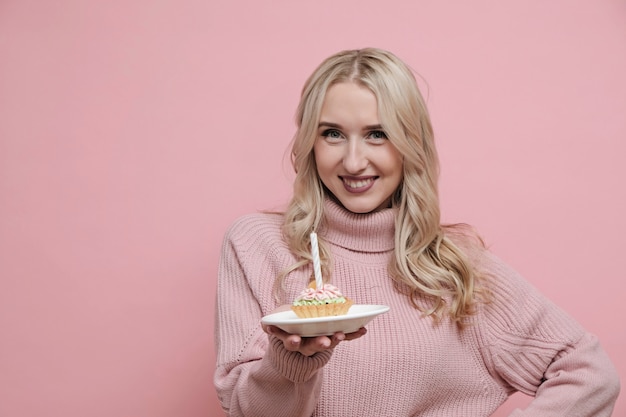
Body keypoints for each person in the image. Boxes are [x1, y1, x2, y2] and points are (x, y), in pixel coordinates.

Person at [213, 48, 620, 416]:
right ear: (309, 144)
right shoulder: (257, 245)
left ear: (410, 144)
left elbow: (588, 372)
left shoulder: (455, 263)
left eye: (378, 134)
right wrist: (291, 365)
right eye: (332, 133)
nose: (354, 162)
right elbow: (247, 412)